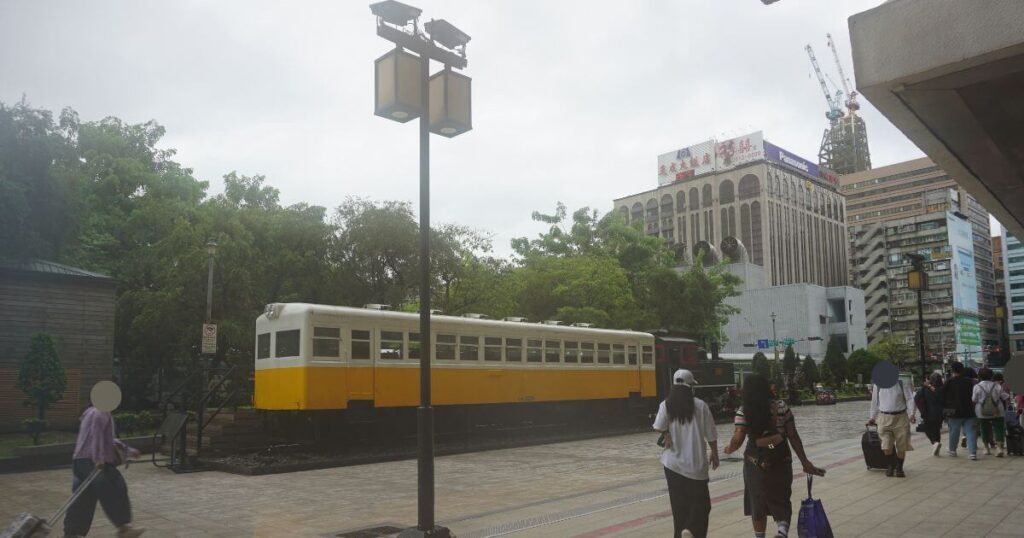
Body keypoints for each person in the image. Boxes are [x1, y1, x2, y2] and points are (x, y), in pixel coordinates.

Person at [725, 374, 824, 538]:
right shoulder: (781, 406)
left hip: (756, 461)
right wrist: (805, 462)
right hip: (780, 456)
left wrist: (729, 448)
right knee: (781, 497)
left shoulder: (744, 410)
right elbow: (793, 435)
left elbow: (738, 437)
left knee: (757, 500)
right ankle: (782, 530)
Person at [653, 369, 719, 538]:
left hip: (672, 465)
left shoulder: (666, 404)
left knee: (679, 510)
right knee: (702, 506)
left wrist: (666, 434)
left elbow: (658, 425)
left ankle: (683, 531)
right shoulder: (700, 405)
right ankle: (692, 530)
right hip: (695, 466)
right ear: (690, 386)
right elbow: (710, 433)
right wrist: (715, 453)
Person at [64, 405, 145, 538]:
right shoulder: (101, 412)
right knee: (114, 486)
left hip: (80, 459)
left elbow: (108, 439)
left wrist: (128, 450)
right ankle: (124, 527)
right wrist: (98, 458)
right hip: (93, 459)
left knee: (84, 495)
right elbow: (97, 436)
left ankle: (73, 533)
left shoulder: (90, 412)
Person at [867, 375, 916, 476]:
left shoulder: (902, 383)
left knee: (902, 445)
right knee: (886, 445)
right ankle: (890, 465)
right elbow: (875, 402)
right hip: (884, 417)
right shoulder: (878, 385)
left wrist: (912, 414)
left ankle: (899, 468)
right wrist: (872, 417)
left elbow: (910, 399)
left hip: (901, 417)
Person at [942, 361, 978, 459]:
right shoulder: (969, 382)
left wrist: (944, 411)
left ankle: (952, 450)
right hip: (969, 410)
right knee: (971, 431)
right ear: (962, 370)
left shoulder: (948, 381)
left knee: (954, 431)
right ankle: (972, 453)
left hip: (952, 410)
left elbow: (942, 396)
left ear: (952, 370)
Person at [973, 368, 1011, 457]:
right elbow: (1005, 397)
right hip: (997, 410)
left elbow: (974, 399)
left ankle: (986, 448)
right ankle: (999, 448)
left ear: (979, 376)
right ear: (991, 376)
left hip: (982, 411)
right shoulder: (997, 386)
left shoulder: (977, 387)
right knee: (999, 429)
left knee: (984, 429)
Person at [915, 372, 945, 456]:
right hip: (940, 414)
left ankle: (934, 443)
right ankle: (937, 445)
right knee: (937, 430)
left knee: (927, 429)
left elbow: (916, 398)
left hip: (928, 413)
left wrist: (921, 408)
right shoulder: (943, 389)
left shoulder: (925, 389)